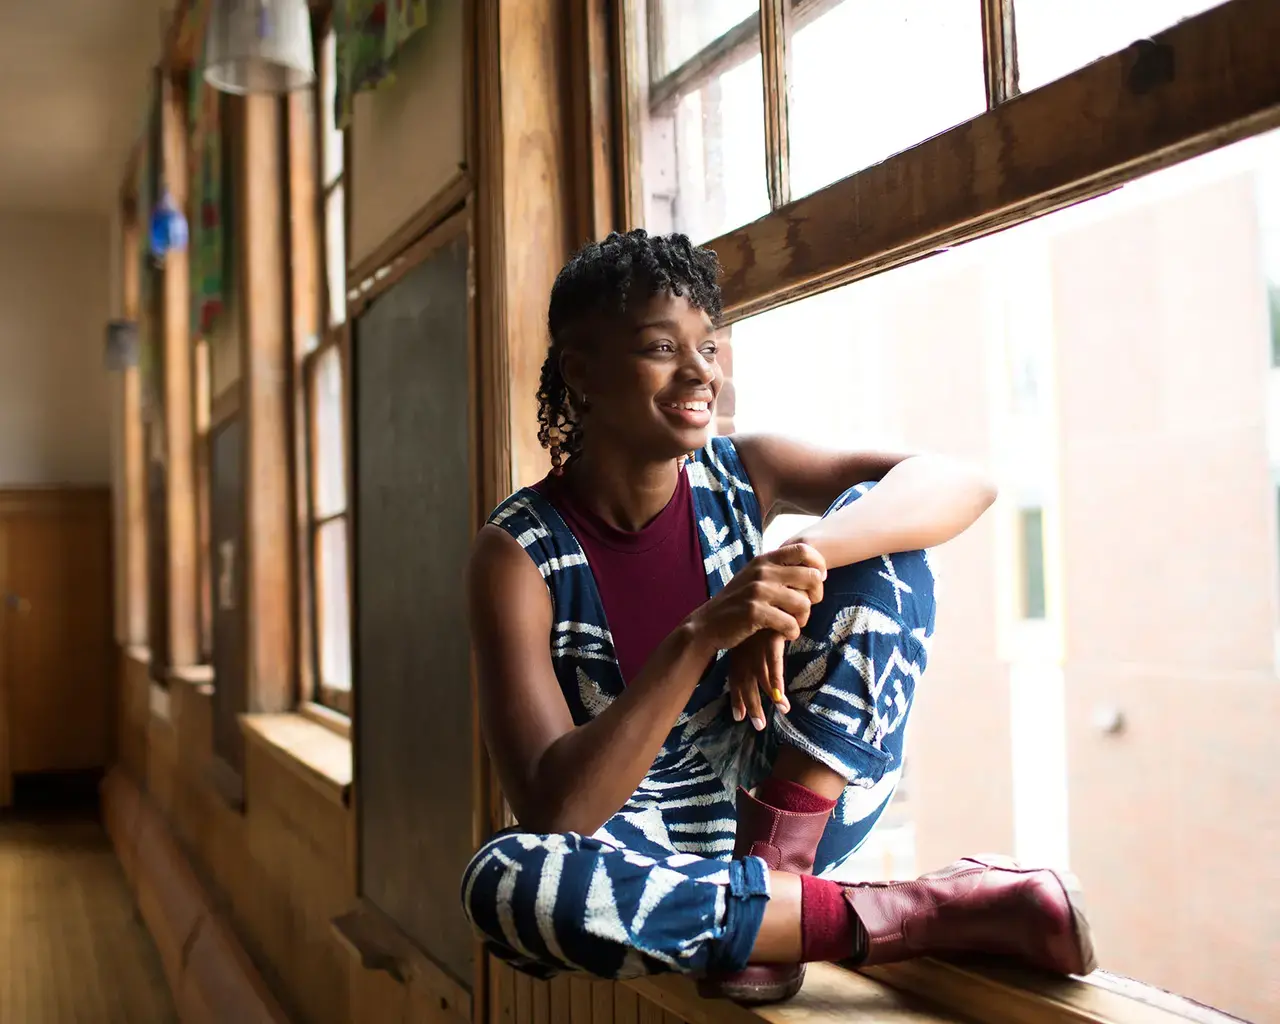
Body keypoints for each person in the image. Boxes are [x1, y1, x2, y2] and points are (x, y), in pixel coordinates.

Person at [460, 229, 1094, 1004]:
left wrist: (801, 560)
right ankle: (916, 911)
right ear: (582, 373)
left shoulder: (740, 469)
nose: (701, 373)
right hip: (641, 843)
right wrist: (700, 635)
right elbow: (558, 811)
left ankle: (777, 881)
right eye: (663, 347)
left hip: (791, 795)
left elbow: (960, 482)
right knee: (504, 881)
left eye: (709, 347)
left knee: (885, 538)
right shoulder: (517, 552)